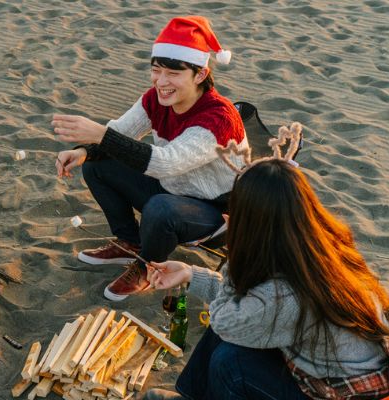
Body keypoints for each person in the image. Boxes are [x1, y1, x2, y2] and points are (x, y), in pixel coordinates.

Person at [142, 158, 389, 399]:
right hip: (353, 365)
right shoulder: (321, 248)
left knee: (231, 361)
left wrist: (236, 250)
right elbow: (251, 307)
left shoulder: (287, 294)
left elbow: (226, 318)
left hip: (340, 391)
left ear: (252, 225)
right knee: (236, 332)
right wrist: (191, 274)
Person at [52, 16, 248, 301]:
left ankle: (147, 267)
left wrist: (99, 135)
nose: (162, 81)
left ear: (201, 74)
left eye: (174, 73)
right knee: (95, 164)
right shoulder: (156, 98)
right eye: (156, 70)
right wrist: (84, 150)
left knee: (160, 209)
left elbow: (166, 162)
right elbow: (120, 131)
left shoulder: (218, 118)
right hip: (171, 187)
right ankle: (130, 242)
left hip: (218, 211)